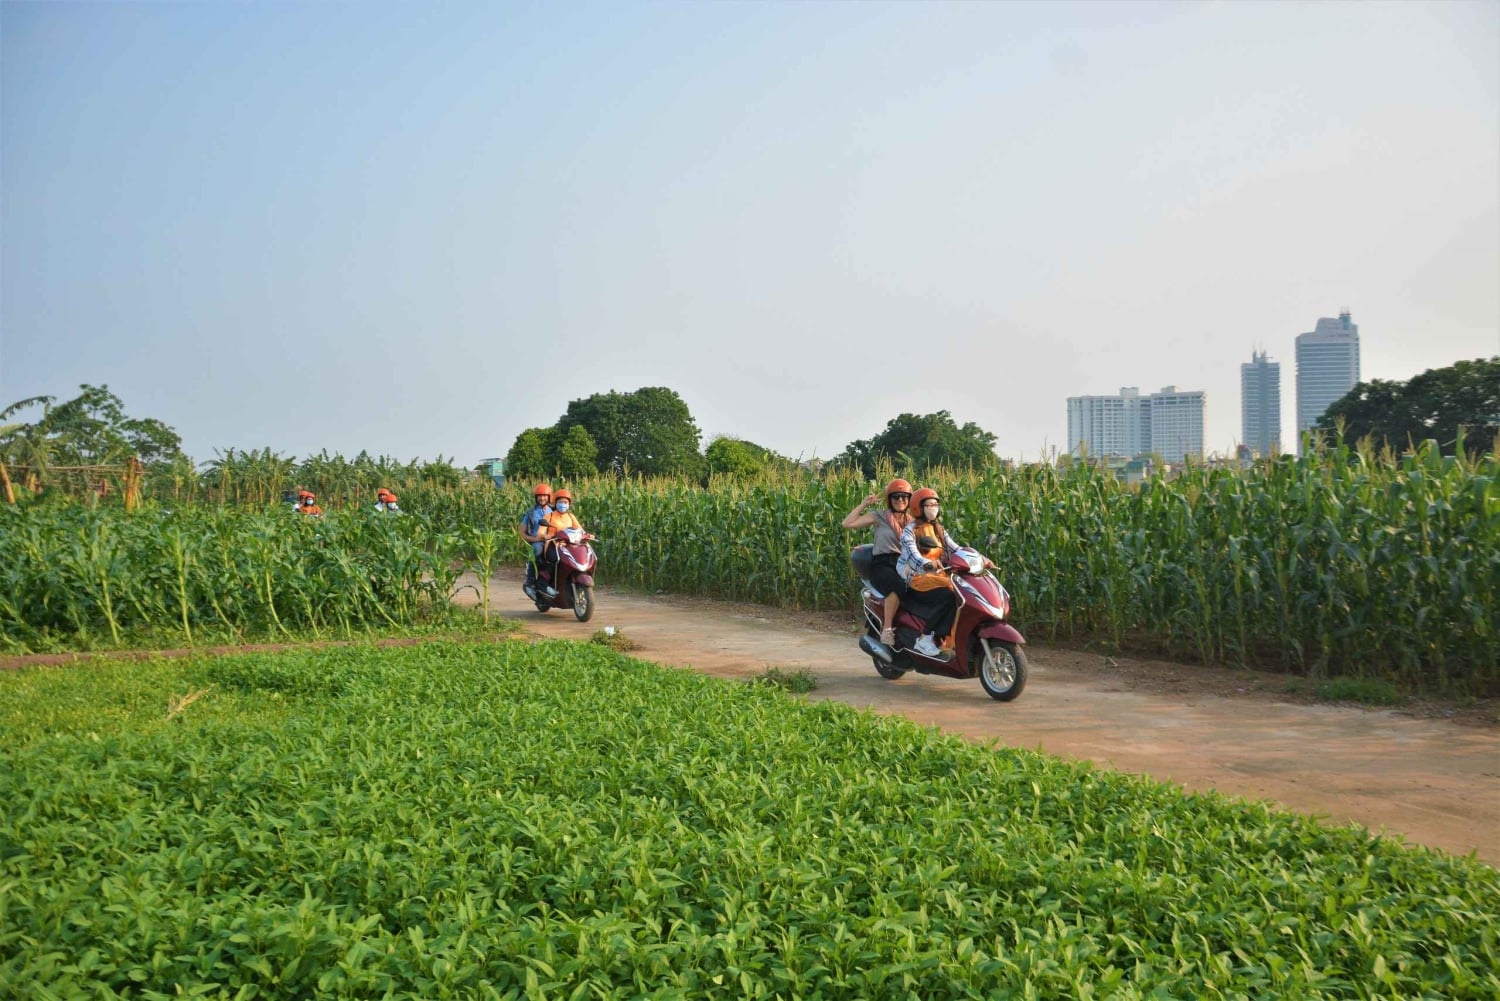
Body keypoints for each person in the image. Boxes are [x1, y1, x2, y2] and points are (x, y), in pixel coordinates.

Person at [841, 478, 914, 647]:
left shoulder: (912, 522)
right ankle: (887, 630)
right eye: (896, 497)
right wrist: (865, 504)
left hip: (904, 563)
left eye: (904, 497)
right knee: (897, 585)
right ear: (890, 499)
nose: (900, 500)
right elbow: (847, 523)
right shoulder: (879, 516)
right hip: (883, 563)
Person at [897, 487, 961, 659]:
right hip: (916, 578)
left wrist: (980, 558)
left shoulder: (938, 529)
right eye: (929, 505)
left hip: (937, 575)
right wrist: (929, 564)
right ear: (918, 508)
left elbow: (955, 549)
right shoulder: (910, 531)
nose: (933, 508)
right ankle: (925, 639)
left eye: (935, 504)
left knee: (962, 591)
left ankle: (954, 641)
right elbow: (914, 557)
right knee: (948, 594)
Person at [536, 488, 589, 597]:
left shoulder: (570, 516)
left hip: (570, 545)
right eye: (560, 502)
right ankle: (544, 584)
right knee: (554, 559)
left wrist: (587, 535)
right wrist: (545, 535)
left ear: (569, 504)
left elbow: (580, 529)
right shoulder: (549, 516)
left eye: (565, 502)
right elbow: (540, 532)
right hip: (554, 544)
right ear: (555, 503)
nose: (563, 505)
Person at [520, 483, 553, 593]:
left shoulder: (554, 511)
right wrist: (534, 539)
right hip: (538, 541)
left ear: (549, 497)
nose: (542, 498)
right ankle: (530, 580)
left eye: (544, 495)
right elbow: (522, 533)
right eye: (539, 495)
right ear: (536, 497)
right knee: (538, 550)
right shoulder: (530, 513)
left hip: (553, 540)